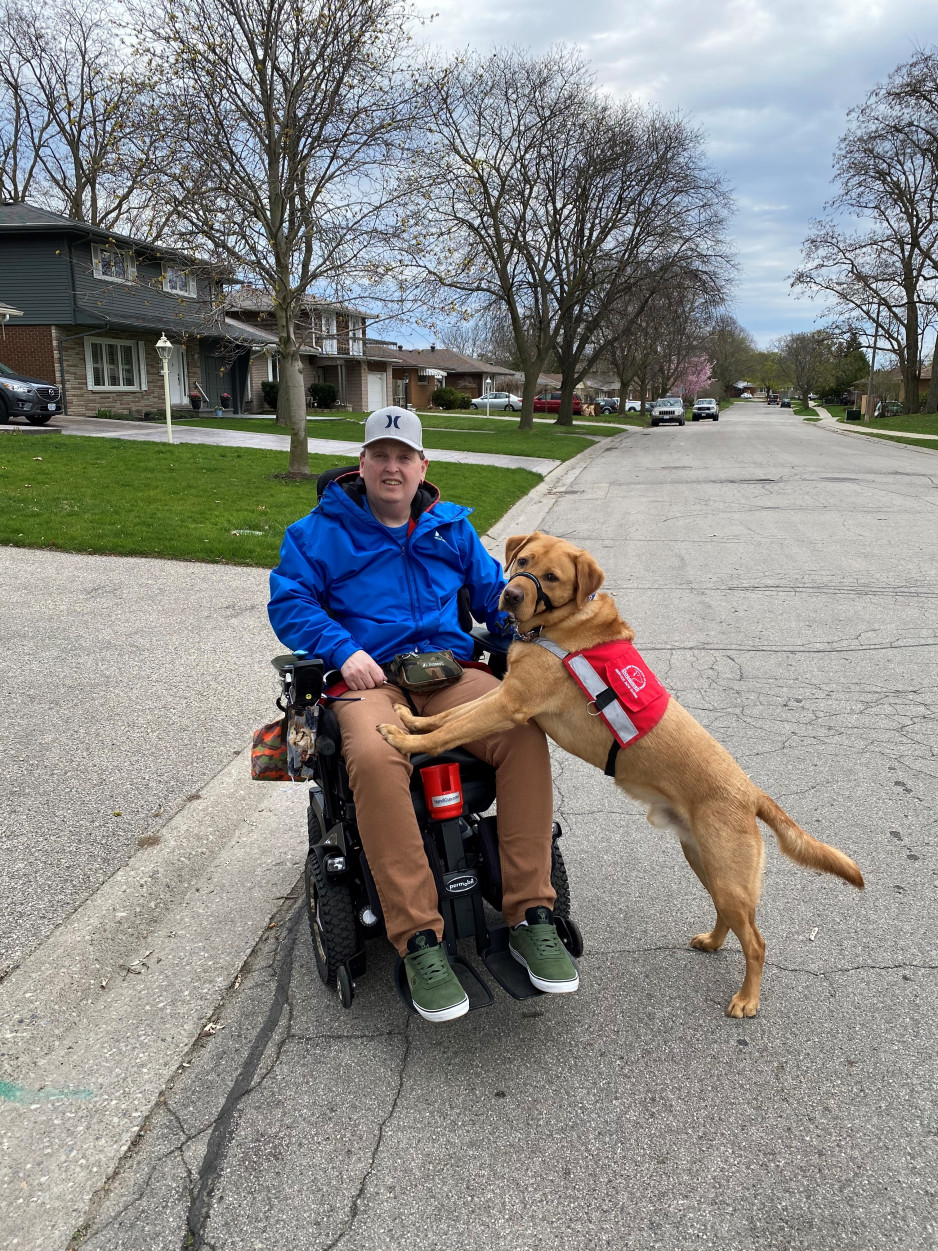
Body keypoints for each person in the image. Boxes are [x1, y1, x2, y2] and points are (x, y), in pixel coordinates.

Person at [268, 406, 579, 1022]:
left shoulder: (450, 529)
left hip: (449, 672)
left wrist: (544, 628)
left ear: (421, 467)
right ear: (362, 464)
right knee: (376, 756)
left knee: (521, 732)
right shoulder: (315, 534)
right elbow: (291, 602)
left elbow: (496, 598)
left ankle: (531, 914)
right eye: (381, 456)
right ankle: (419, 940)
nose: (393, 468)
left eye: (404, 457)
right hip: (369, 679)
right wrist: (343, 650)